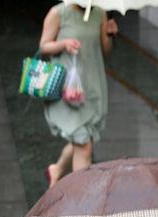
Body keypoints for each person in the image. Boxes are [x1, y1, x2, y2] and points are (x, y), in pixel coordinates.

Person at [39, 3, 117, 186]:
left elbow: (105, 50)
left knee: (83, 138)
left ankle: (57, 169)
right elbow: (44, 46)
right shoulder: (58, 13)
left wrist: (109, 34)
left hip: (92, 86)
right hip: (68, 90)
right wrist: (63, 44)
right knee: (84, 145)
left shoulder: (99, 13)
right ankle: (82, 201)